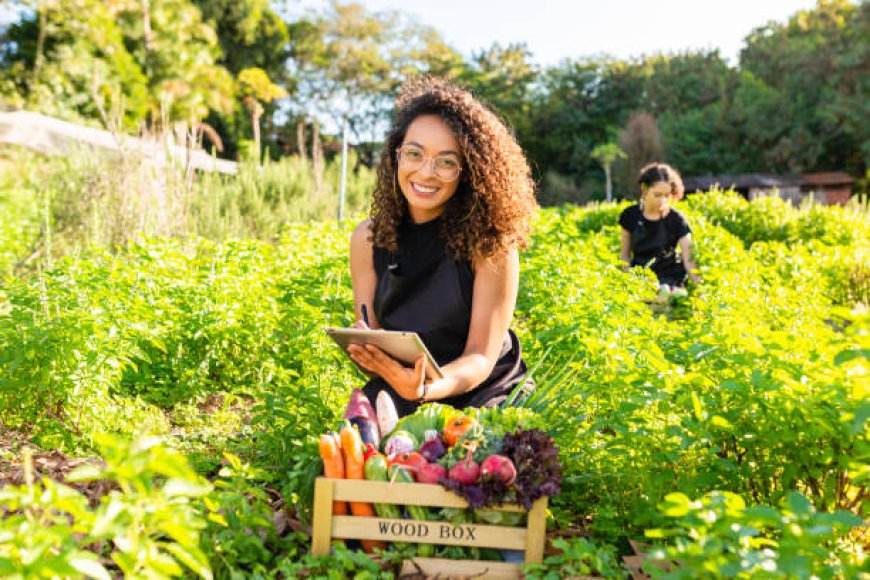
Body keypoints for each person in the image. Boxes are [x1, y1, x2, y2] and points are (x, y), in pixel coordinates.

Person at [346, 77, 538, 418]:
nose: (426, 172)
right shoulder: (368, 239)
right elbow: (373, 345)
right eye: (414, 154)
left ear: (470, 172)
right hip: (406, 384)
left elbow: (480, 357)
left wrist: (426, 390)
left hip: (484, 390)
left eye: (446, 162)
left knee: (467, 448)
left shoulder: (491, 244)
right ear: (396, 156)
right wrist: (372, 358)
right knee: (360, 435)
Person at [618, 163, 699, 292]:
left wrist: (698, 289)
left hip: (671, 280)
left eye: (667, 195)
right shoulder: (630, 216)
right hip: (640, 279)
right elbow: (625, 256)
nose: (662, 201)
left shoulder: (677, 220)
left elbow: (689, 260)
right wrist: (630, 282)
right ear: (644, 189)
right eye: (657, 195)